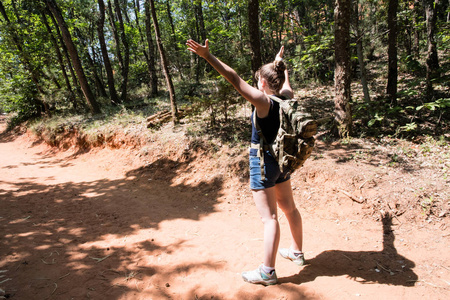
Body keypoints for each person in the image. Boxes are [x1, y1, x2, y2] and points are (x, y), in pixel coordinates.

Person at [186, 39, 305, 286]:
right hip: (282, 162)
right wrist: (282, 66)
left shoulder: (263, 102)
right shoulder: (286, 98)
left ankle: (267, 272)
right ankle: (296, 251)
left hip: (263, 164)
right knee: (289, 209)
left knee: (269, 218)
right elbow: (284, 83)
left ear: (262, 82)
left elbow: (233, 78)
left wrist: (208, 56)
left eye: (258, 79)